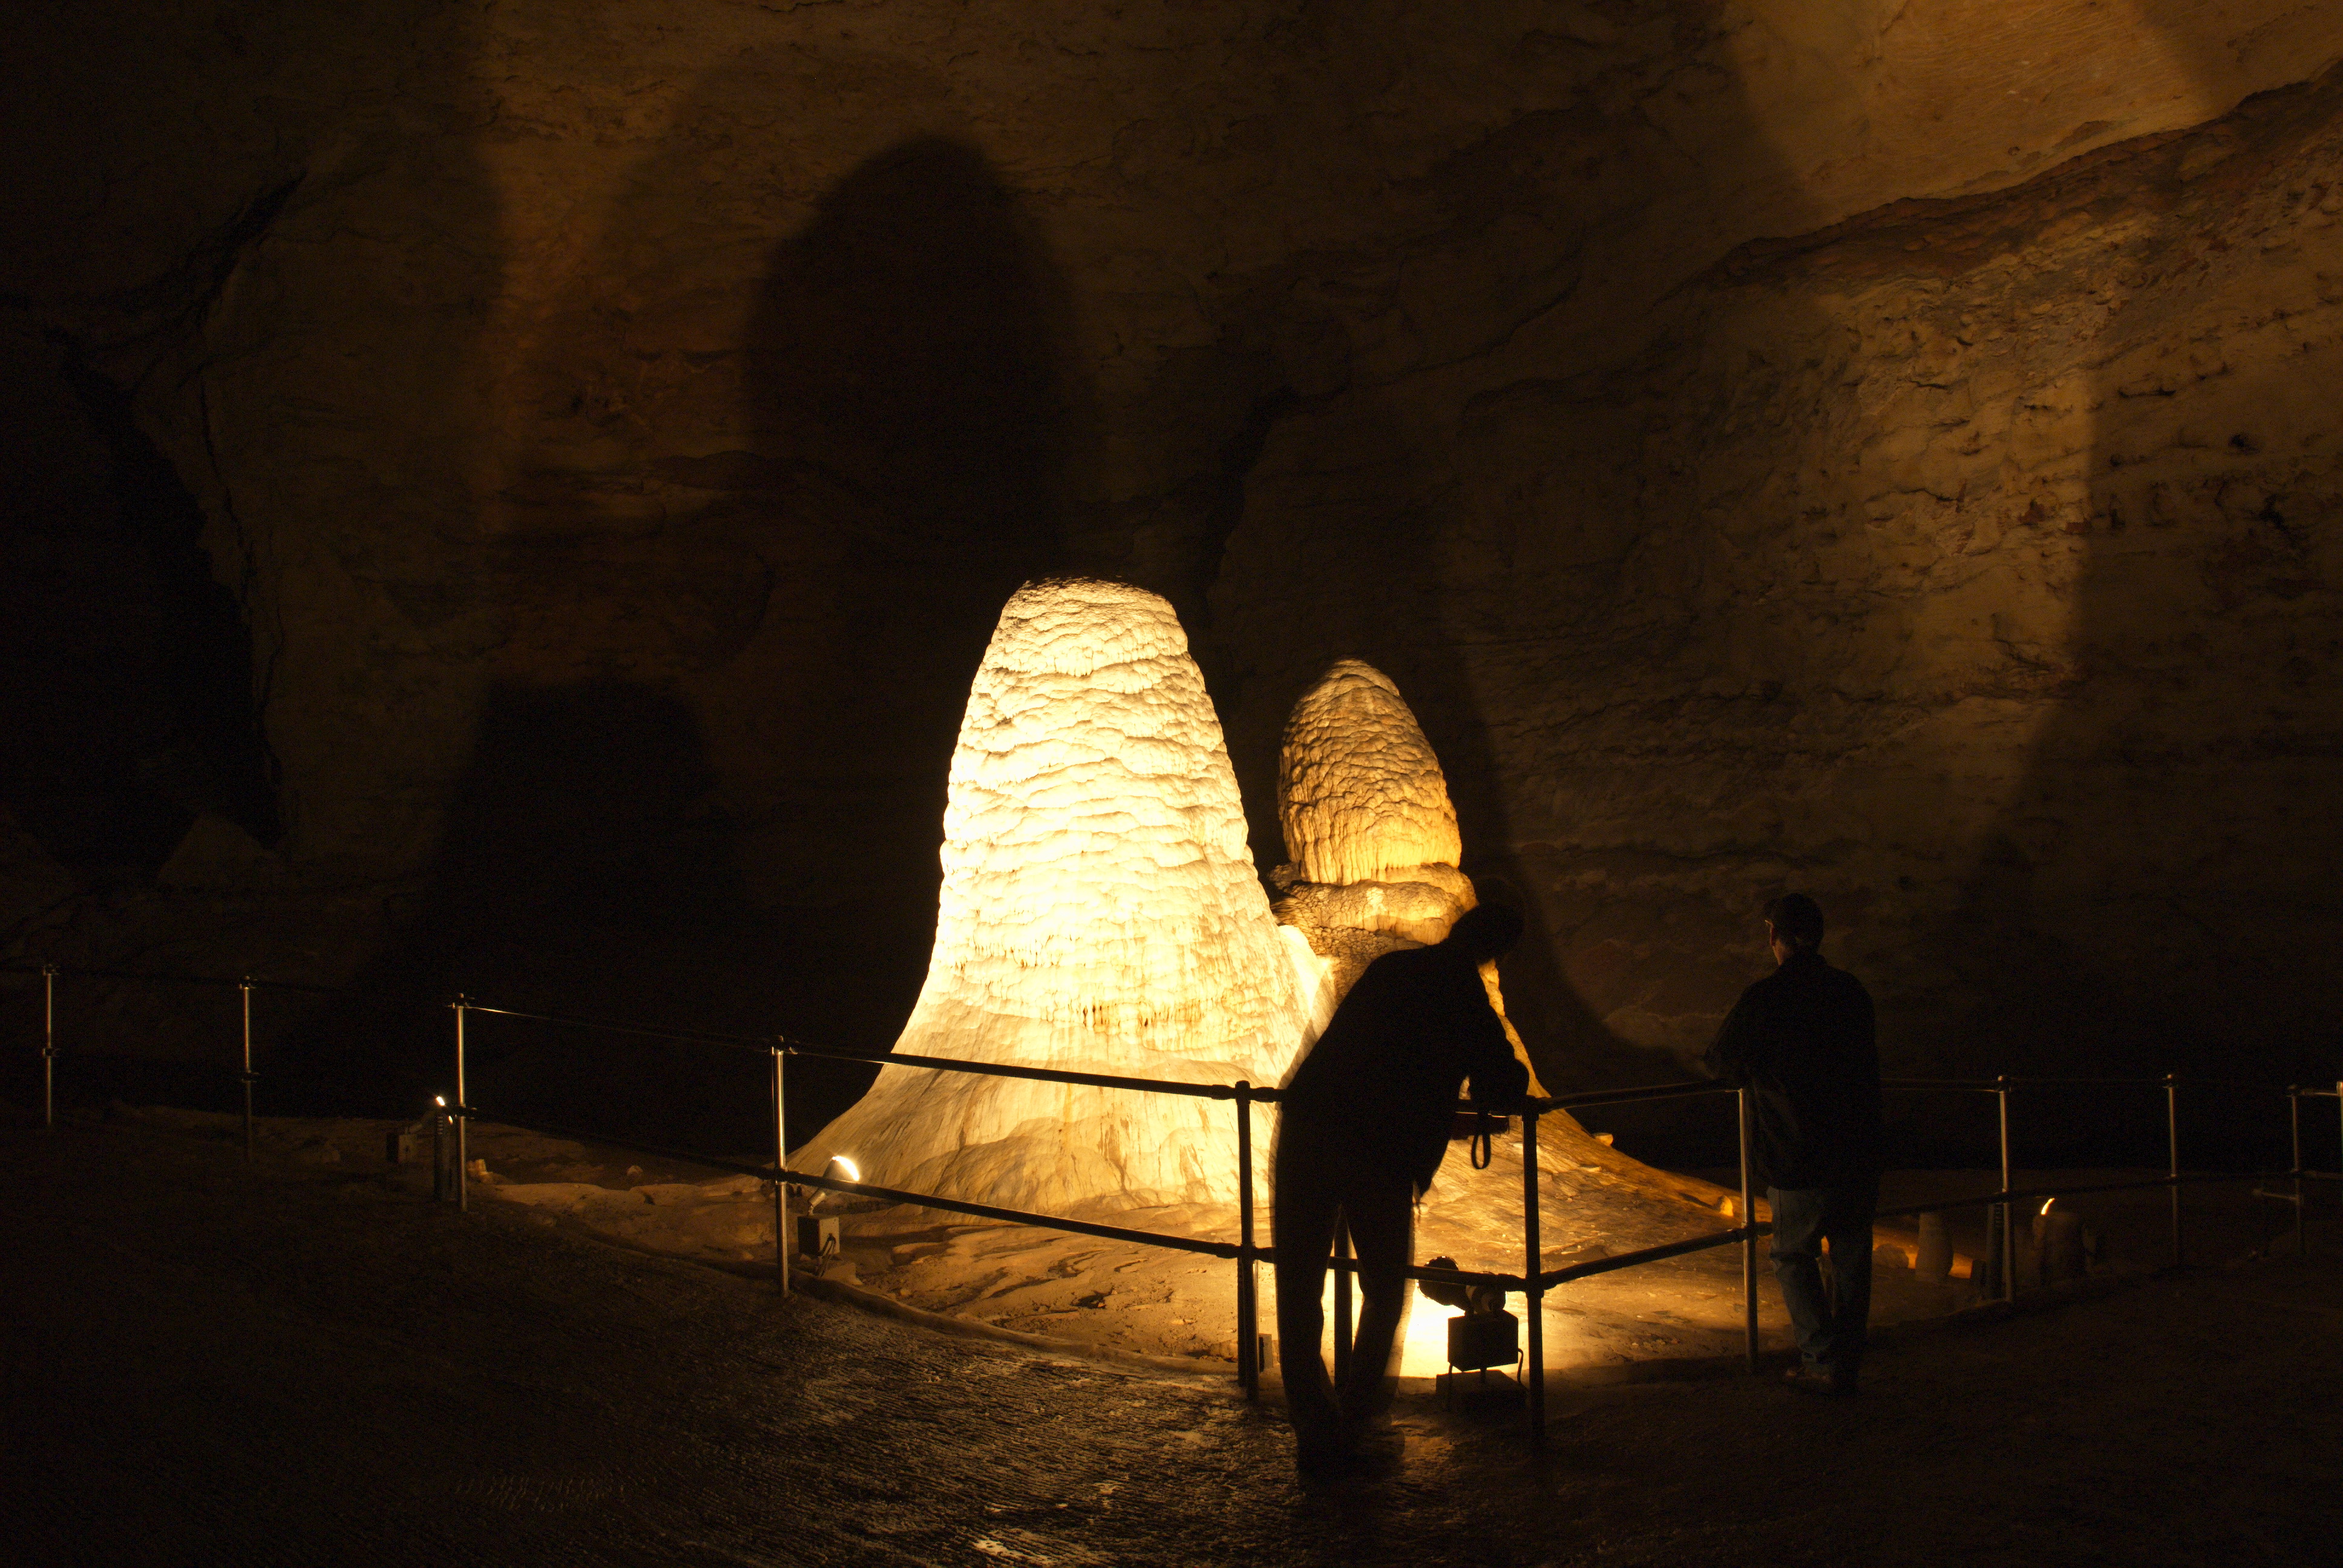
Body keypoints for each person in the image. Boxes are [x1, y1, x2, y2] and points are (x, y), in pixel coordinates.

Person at [1271, 901, 1532, 1471]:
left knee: (1300, 1284)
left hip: (1311, 1124)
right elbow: (1502, 1079)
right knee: (1387, 1288)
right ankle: (1357, 1418)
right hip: (1379, 1148)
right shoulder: (1464, 995)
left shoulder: (1392, 968)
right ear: (1497, 953)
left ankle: (1314, 1426)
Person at [1703, 893, 1881, 1396]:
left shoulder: (1767, 998)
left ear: (1774, 937)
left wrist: (1753, 1073)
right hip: (1856, 1149)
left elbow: (1719, 1061)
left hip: (1796, 1151)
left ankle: (1821, 1360)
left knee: (1793, 1256)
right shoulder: (1851, 992)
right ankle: (1847, 1362)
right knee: (1851, 1258)